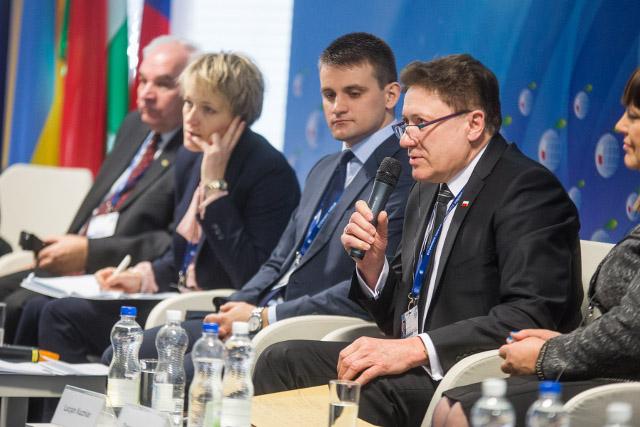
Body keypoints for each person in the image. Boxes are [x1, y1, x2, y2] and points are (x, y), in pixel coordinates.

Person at [252, 53, 583, 427]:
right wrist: (373, 268)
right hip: (417, 360)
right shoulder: (427, 189)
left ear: (474, 123)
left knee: (361, 389)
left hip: (474, 375)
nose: (407, 139)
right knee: (281, 360)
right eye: (405, 124)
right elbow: (400, 314)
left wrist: (416, 348)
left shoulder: (527, 190)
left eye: (421, 124)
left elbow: (528, 316)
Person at [102, 31, 413, 376]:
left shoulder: (404, 172)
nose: (337, 107)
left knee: (177, 373)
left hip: (304, 331)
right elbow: (278, 260)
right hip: (257, 319)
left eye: (353, 93)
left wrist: (263, 315)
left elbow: (369, 285)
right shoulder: (325, 168)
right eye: (329, 94)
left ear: (390, 95)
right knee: (122, 354)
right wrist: (236, 305)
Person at [15, 51, 300, 362]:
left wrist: (215, 189)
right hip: (173, 298)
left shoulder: (269, 171)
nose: (191, 118)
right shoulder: (190, 156)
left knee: (61, 315)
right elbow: (182, 257)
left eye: (207, 109)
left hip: (218, 310)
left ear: (239, 119)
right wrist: (141, 277)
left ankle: (81, 397)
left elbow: (251, 273)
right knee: (36, 308)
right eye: (189, 103)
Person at [433, 66, 640, 427]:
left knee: (462, 411)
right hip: (602, 368)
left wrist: (548, 353)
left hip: (618, 387)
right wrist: (566, 341)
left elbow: (631, 331)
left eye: (634, 116)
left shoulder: (527, 189)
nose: (620, 126)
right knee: (453, 403)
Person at [0, 36, 195, 343]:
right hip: (75, 263)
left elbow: (169, 244)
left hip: (117, 273)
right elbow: (102, 203)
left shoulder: (193, 150)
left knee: (24, 306)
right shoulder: (135, 125)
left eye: (163, 84)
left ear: (191, 91)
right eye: (143, 80)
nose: (146, 94)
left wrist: (90, 253)